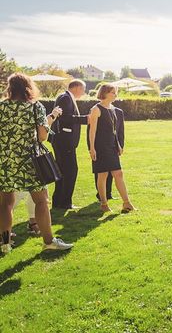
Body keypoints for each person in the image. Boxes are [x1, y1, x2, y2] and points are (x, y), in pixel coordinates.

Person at [0, 73, 73, 253]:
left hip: (5, 160)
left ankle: (5, 244)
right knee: (41, 201)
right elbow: (42, 136)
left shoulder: (1, 107)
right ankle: (49, 242)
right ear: (28, 87)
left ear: (10, 88)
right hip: (30, 161)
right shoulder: (35, 107)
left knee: (5, 203)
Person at [87, 84, 135, 213]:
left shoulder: (114, 109)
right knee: (102, 175)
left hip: (112, 146)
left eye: (115, 92)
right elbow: (92, 131)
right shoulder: (96, 109)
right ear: (106, 93)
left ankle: (126, 203)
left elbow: (115, 130)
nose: (115, 95)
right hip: (100, 147)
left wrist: (119, 145)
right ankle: (103, 203)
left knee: (118, 173)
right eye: (113, 92)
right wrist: (92, 148)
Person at [51, 79, 89, 210]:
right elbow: (65, 118)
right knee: (70, 171)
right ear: (77, 87)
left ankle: (58, 202)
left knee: (63, 171)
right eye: (83, 89)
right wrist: (86, 119)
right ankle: (65, 202)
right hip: (64, 142)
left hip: (63, 141)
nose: (84, 92)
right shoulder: (65, 98)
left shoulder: (66, 97)